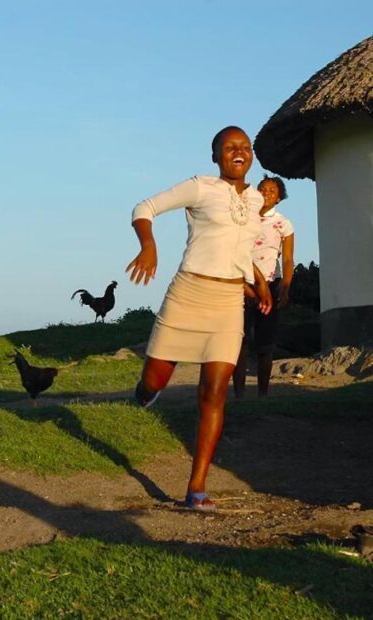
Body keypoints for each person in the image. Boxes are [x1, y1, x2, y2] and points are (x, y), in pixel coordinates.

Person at [125, 126, 272, 512]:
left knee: (214, 392)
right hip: (188, 294)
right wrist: (149, 246)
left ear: (251, 155)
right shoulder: (201, 187)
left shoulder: (257, 200)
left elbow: (240, 249)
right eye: (229, 147)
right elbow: (144, 208)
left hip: (227, 302)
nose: (238, 152)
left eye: (245, 147)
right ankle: (143, 394)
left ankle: (196, 488)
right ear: (215, 156)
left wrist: (259, 282)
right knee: (153, 379)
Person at [233, 175, 295, 398]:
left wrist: (285, 286)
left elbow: (287, 260)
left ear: (279, 198)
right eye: (262, 189)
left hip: (270, 286)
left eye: (271, 190)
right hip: (241, 284)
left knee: (265, 343)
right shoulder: (242, 219)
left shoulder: (283, 224)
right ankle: (238, 394)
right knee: (239, 341)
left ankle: (262, 394)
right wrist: (244, 287)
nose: (266, 193)